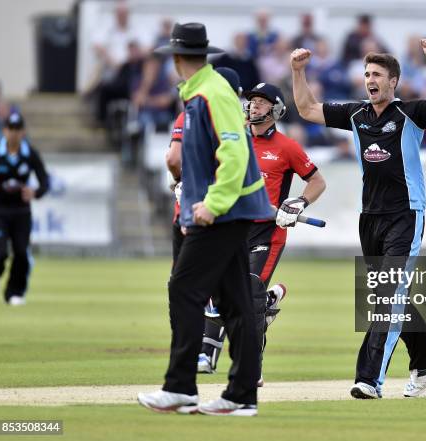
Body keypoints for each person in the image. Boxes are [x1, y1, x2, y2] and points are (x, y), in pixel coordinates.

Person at [290, 37, 426, 398]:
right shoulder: (356, 114)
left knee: (387, 297)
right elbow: (307, 109)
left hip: (406, 214)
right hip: (370, 218)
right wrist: (297, 71)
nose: (370, 79)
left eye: (377, 74)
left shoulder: (410, 113)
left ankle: (369, 379)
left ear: (392, 81)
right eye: (367, 74)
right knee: (392, 295)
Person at [137, 22, 272, 417]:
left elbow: (234, 156)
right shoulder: (201, 94)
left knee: (184, 290)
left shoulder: (213, 94)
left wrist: (212, 204)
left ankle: (180, 388)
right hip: (226, 210)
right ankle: (242, 396)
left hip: (226, 211)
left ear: (177, 59)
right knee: (236, 303)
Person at [198, 82, 326, 378]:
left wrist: (298, 203)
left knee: (251, 294)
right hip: (232, 228)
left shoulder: (287, 147)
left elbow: (317, 181)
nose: (254, 105)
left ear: (276, 110)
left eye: (262, 102)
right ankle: (268, 303)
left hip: (268, 232)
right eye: (252, 100)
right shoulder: (233, 140)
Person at [0, 113, 49, 305]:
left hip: (21, 212)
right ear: (4, 131)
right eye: (11, 129)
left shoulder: (30, 154)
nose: (14, 134)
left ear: (23, 132)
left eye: (18, 130)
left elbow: (45, 180)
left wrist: (36, 193)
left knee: (21, 253)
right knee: (0, 254)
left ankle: (14, 293)